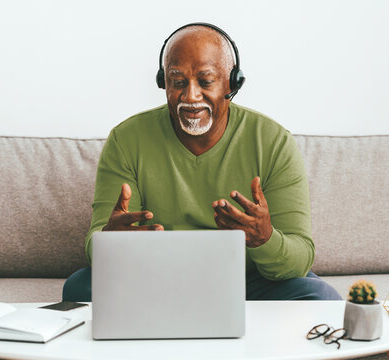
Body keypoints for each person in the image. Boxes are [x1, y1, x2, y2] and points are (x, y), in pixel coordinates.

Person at [63, 23, 341, 302]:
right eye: (178, 82)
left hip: (249, 283)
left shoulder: (273, 141)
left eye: (205, 82)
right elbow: (95, 247)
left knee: (318, 296)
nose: (190, 96)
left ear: (233, 83)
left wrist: (264, 238)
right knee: (80, 287)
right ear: (163, 82)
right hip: (155, 279)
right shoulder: (126, 139)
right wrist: (109, 243)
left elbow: (300, 256)